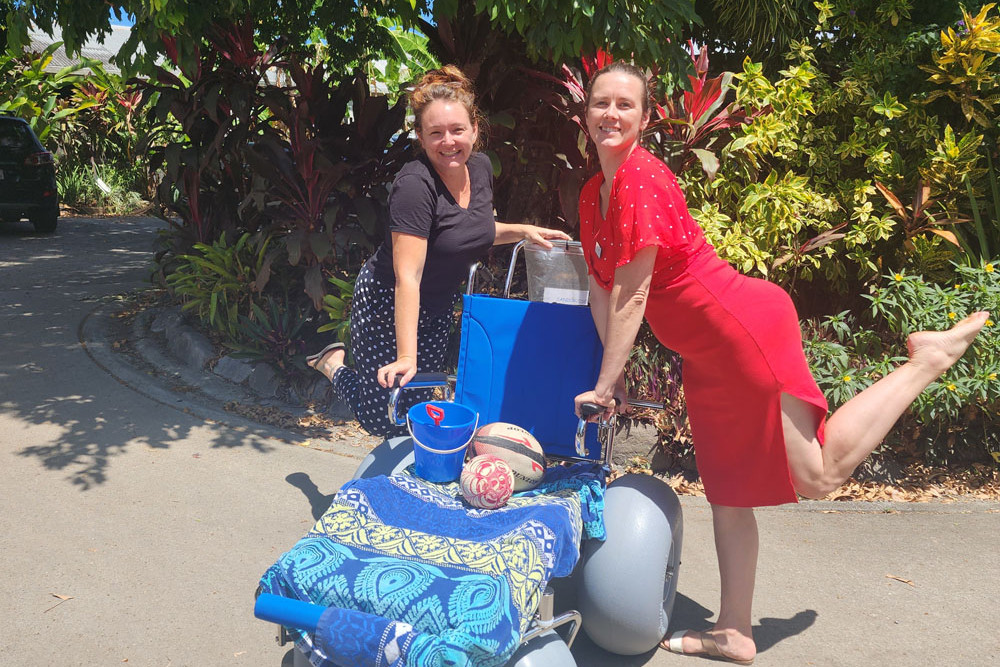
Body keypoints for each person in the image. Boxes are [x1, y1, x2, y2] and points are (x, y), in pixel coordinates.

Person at [572, 61, 989, 665]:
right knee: (727, 493)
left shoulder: (641, 178)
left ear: (644, 118)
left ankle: (925, 362)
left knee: (818, 475)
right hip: (703, 354)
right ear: (585, 114)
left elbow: (635, 294)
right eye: (600, 103)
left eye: (625, 105)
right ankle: (734, 631)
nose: (611, 114)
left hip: (744, 330)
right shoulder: (593, 194)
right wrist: (607, 382)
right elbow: (602, 290)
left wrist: (608, 383)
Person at [308, 66, 569, 437]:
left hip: (437, 303)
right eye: (436, 133)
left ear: (475, 130)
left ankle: (411, 482)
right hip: (389, 301)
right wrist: (406, 355)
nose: (448, 142)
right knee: (382, 413)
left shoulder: (479, 168)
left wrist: (522, 230)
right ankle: (334, 365)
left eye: (457, 130)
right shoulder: (415, 185)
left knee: (415, 404)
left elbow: (466, 232)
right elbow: (407, 276)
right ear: (420, 137)